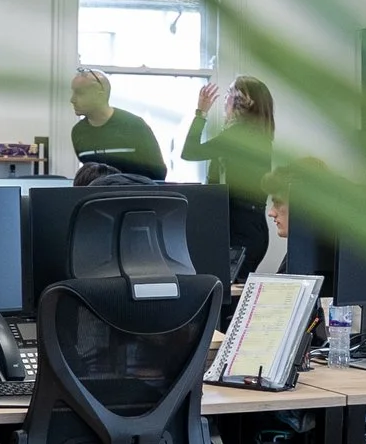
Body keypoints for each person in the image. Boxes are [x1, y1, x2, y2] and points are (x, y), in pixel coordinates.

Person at [183, 76, 276, 283]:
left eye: (229, 93)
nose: (224, 99)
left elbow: (190, 151)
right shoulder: (258, 136)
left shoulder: (238, 136)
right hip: (252, 227)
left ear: (242, 102)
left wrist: (201, 113)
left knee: (228, 292)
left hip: (240, 230)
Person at [69, 67, 167, 181]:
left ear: (99, 95)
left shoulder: (134, 127)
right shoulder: (78, 132)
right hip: (98, 196)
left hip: (133, 195)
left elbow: (158, 174)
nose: (72, 99)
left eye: (79, 93)